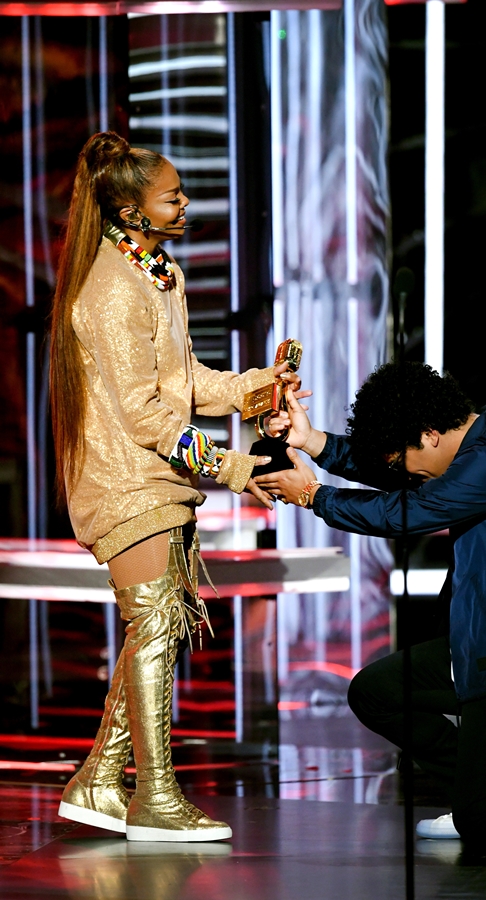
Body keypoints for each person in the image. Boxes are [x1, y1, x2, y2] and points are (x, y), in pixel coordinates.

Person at [50, 132, 304, 843]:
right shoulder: (109, 291)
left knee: (153, 631)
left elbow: (184, 385)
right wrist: (233, 468)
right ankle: (154, 799)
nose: (185, 203)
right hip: (126, 481)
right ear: (130, 210)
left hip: (157, 478)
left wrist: (260, 387)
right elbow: (145, 414)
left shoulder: (155, 273)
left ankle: (100, 779)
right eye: (173, 196)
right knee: (156, 629)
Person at [256, 361, 486, 857]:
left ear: (430, 433)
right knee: (376, 693)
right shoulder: (470, 451)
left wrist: (314, 495)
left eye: (406, 457)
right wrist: (315, 443)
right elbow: (399, 474)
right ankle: (475, 791)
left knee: (484, 822)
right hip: (484, 646)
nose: (404, 472)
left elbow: (407, 511)